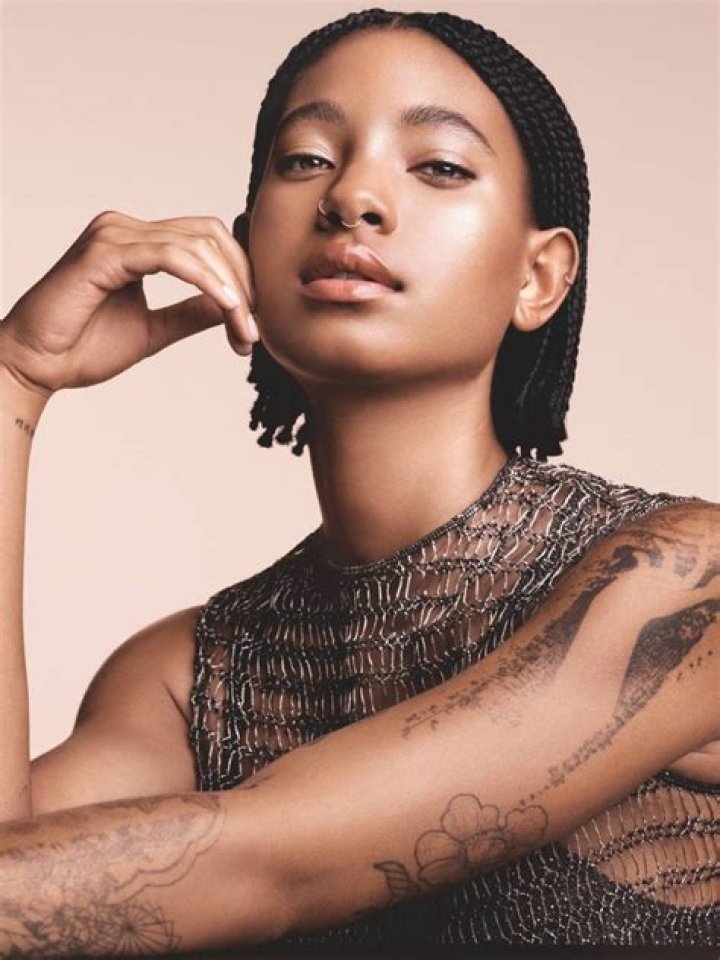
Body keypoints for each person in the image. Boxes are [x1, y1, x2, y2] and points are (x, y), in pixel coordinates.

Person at [0, 6, 717, 955]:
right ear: (245, 252)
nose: (352, 198)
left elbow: (267, 867)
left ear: (539, 278)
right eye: (306, 159)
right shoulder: (186, 679)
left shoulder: (684, 580)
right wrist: (13, 380)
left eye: (439, 166)